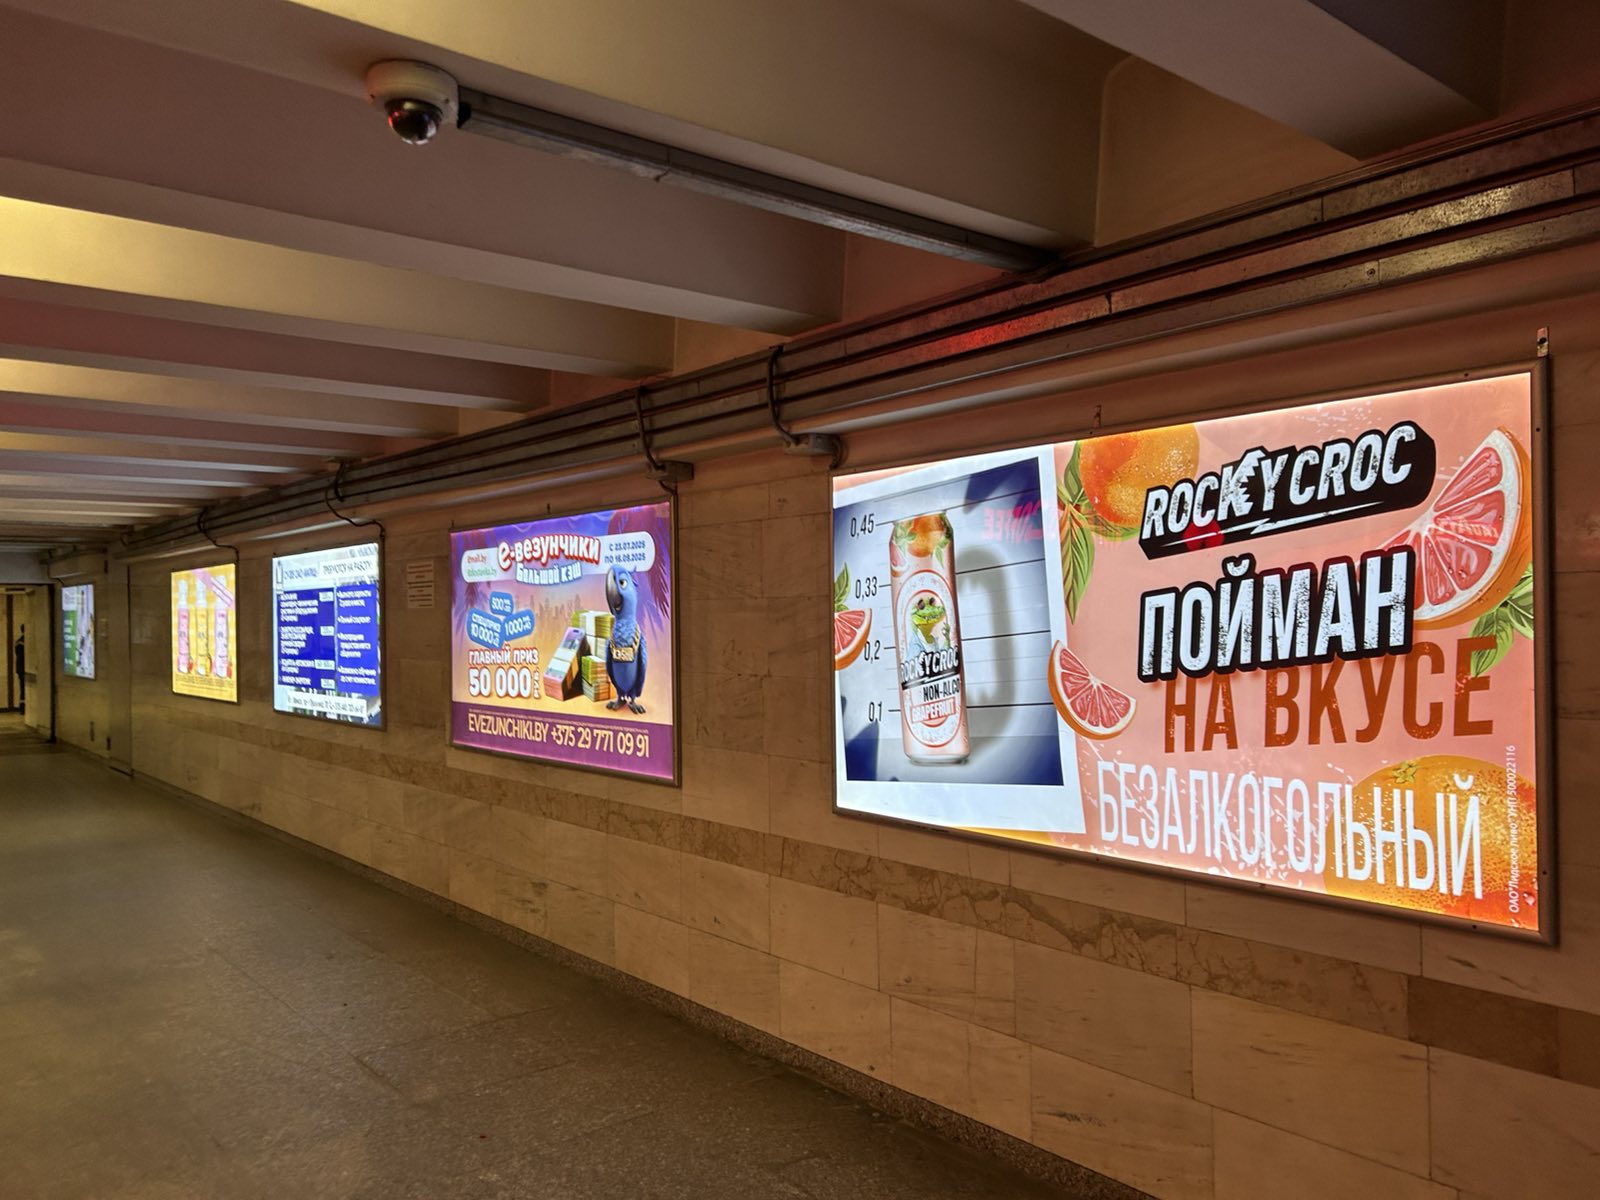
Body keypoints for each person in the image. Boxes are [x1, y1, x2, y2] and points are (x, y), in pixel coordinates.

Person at [13, 625, 24, 712]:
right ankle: (23, 708)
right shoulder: (22, 643)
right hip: (22, 669)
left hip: (20, 669)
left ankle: (22, 707)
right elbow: (22, 657)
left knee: (22, 688)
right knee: (23, 689)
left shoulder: (18, 642)